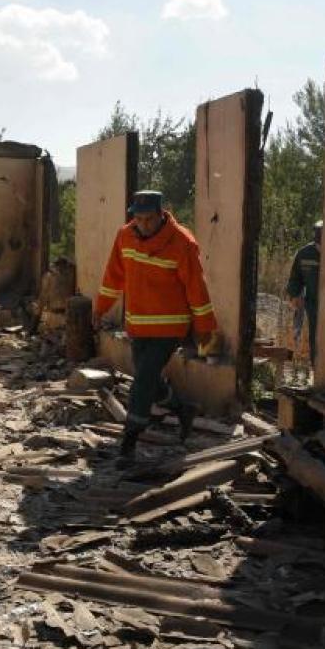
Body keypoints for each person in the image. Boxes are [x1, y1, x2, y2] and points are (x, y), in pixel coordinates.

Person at [92, 190, 218, 466]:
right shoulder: (125, 236)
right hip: (138, 326)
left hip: (170, 327)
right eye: (138, 219)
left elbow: (197, 288)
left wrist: (205, 327)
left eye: (149, 219)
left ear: (161, 215)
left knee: (142, 381)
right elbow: (113, 277)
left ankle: (129, 443)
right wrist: (100, 308)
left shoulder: (182, 242)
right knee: (148, 380)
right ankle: (182, 408)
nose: (143, 224)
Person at [285, 220, 322, 365]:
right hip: (313, 305)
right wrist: (294, 295)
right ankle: (316, 369)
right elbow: (296, 278)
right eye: (319, 245)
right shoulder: (304, 254)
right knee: (315, 338)